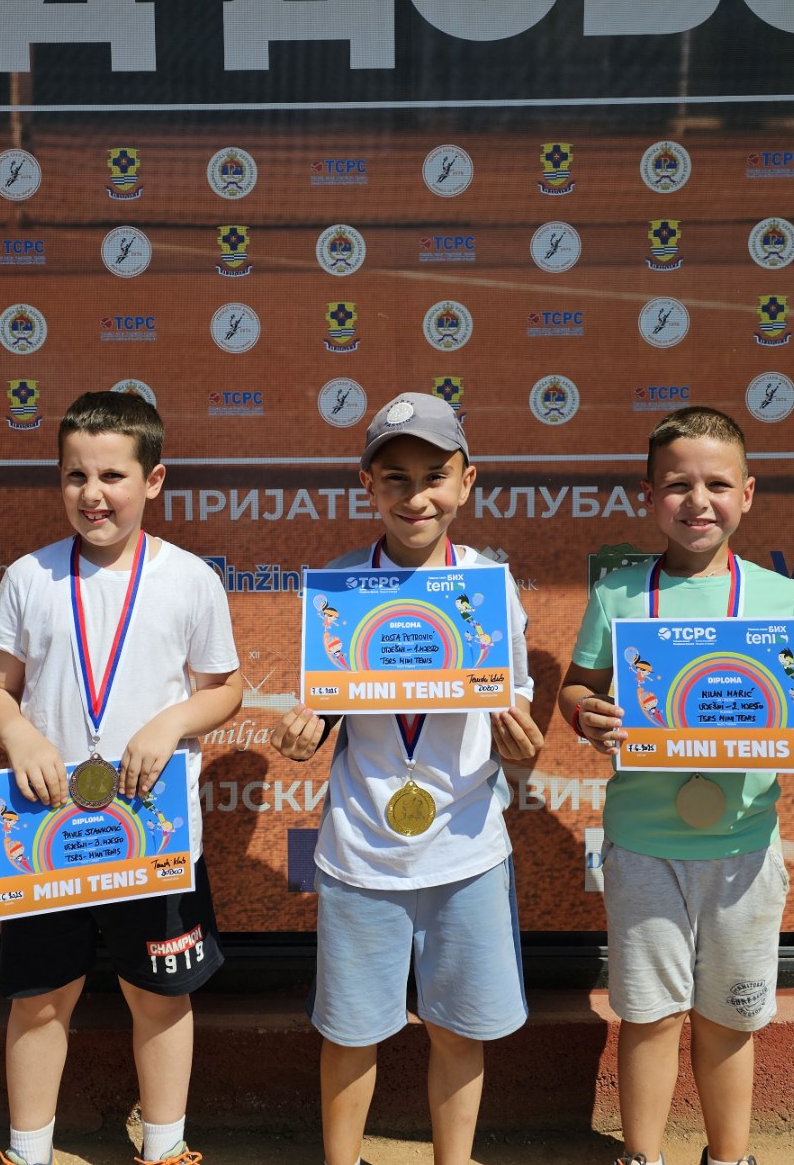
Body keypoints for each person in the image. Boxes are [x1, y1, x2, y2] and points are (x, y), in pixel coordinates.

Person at [557, 406, 794, 1165]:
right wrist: (586, 716)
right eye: (677, 485)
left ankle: (729, 1158)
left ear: (748, 494)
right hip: (643, 847)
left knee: (731, 1019)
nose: (697, 501)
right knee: (650, 1015)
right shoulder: (619, 594)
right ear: (648, 496)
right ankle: (641, 1158)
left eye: (718, 484)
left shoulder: (780, 595)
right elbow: (576, 687)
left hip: (745, 848)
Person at [0, 390, 244, 1165]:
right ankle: (28, 1153)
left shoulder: (189, 579)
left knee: (159, 996)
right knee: (39, 1000)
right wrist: (17, 731)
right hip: (46, 831)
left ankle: (165, 1149)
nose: (93, 494)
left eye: (113, 476)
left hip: (155, 833)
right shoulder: (29, 578)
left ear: (153, 481)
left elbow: (225, 688)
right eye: (75, 475)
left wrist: (172, 721)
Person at [275, 391, 546, 1165]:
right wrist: (306, 726)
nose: (416, 496)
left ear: (467, 482)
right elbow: (329, 700)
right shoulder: (339, 586)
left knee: (458, 1032)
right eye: (395, 478)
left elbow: (516, 697)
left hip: (466, 851)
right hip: (361, 852)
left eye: (435, 476)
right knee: (350, 1033)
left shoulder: (489, 585)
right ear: (367, 485)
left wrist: (520, 736)